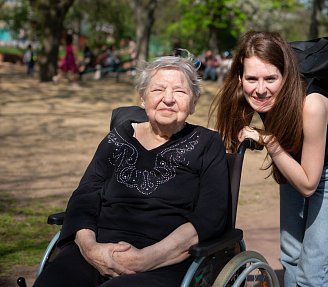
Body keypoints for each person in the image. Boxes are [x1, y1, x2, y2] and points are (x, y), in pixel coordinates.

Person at [34, 55, 229, 287]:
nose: (168, 99)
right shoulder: (119, 137)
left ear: (194, 102)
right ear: (143, 98)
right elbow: (85, 196)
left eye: (180, 92)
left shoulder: (207, 143)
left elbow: (211, 216)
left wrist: (145, 259)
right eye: (158, 90)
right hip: (98, 248)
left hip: (164, 261)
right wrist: (91, 249)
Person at [210, 31, 328, 287]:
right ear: (240, 77)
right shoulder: (246, 95)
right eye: (251, 78)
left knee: (313, 270)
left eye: (270, 78)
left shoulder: (311, 105)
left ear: (286, 76)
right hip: (292, 161)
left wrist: (268, 141)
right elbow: (228, 147)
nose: (260, 89)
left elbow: (307, 184)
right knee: (291, 256)